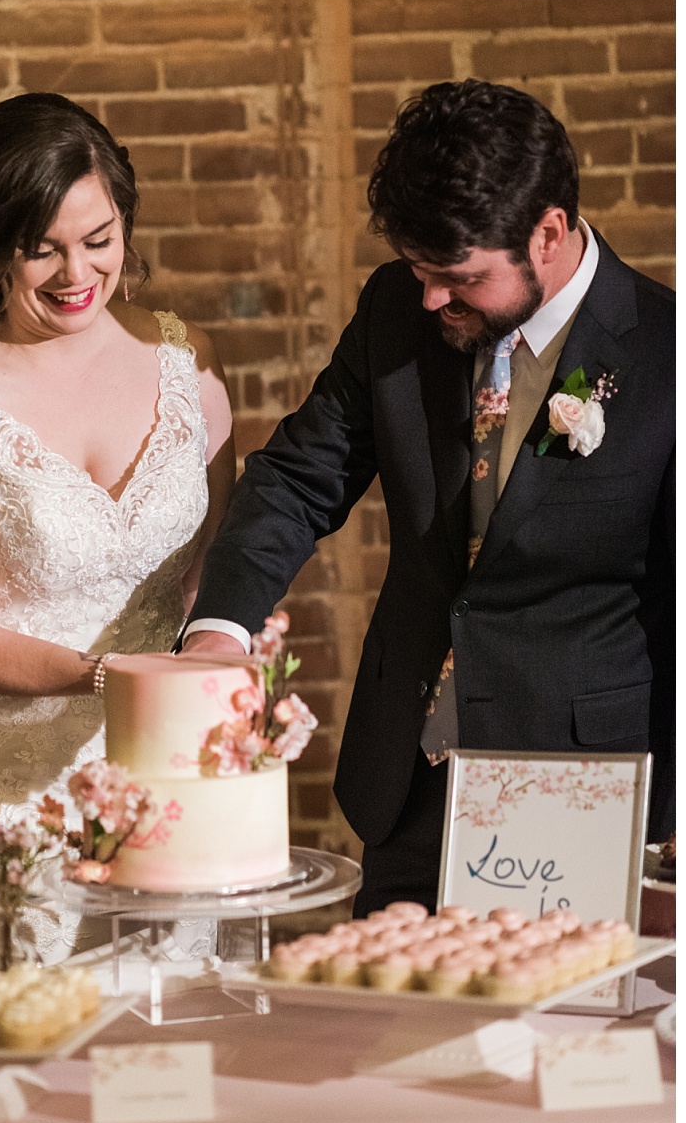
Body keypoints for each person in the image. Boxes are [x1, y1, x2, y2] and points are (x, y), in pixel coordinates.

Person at [182, 79, 675, 912]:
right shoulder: (395, 313)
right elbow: (301, 477)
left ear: (548, 232)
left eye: (457, 276)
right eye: (417, 270)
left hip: (578, 792)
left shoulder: (671, 356)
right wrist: (219, 629)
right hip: (405, 782)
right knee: (390, 1029)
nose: (431, 299)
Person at [0, 91, 234, 959]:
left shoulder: (190, 361)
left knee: (168, 1047)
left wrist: (198, 672)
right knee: (17, 1056)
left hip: (166, 770)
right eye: (42, 251)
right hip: (1, 786)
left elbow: (210, 567)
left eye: (99, 241)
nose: (77, 275)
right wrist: (111, 676)